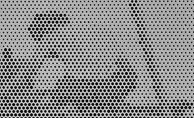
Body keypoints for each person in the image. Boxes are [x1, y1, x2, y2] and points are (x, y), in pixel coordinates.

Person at [8, 11, 139, 109]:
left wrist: (13, 92)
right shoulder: (87, 26)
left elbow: (34, 67)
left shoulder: (53, 35)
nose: (38, 42)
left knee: (52, 86)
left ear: (44, 30)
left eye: (37, 38)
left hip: (104, 84)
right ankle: (102, 109)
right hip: (126, 78)